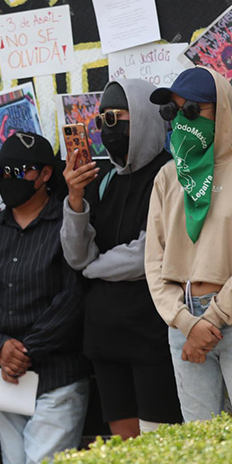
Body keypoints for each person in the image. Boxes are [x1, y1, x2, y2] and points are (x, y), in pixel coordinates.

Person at [61, 80, 181, 439]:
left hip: (152, 331)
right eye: (100, 121)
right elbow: (76, 254)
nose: (107, 130)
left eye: (115, 117)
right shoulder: (105, 181)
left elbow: (150, 253)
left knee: (160, 441)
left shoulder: (170, 174)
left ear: (143, 117)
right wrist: (75, 201)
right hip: (105, 335)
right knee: (124, 443)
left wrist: (92, 269)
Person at [0, 132, 89, 464]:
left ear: (46, 174)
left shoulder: (69, 223)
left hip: (57, 377)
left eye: (18, 171)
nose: (7, 180)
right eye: (1, 173)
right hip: (4, 378)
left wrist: (25, 351)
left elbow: (73, 297)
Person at [146, 67, 232, 422]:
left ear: (220, 110)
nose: (181, 121)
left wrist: (214, 317)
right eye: (172, 112)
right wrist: (185, 322)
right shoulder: (167, 177)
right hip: (183, 323)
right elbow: (154, 261)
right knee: (201, 446)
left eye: (191, 110)